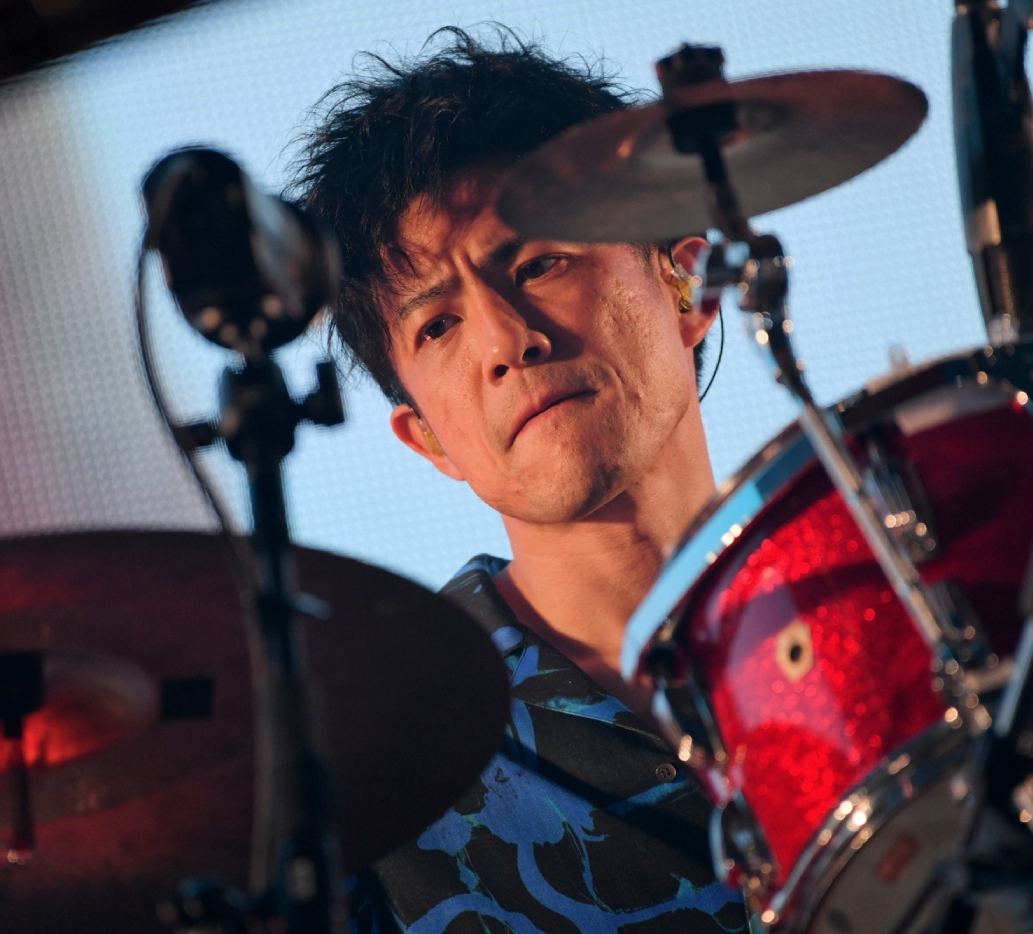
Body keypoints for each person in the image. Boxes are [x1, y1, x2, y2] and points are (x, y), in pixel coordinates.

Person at [290, 26, 746, 933]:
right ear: (427, 440)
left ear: (687, 286)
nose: (507, 341)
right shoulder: (382, 761)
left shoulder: (906, 598)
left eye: (539, 264)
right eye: (437, 327)